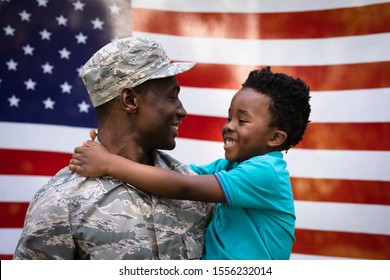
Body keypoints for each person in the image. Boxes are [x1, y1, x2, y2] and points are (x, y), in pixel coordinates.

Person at [69, 66, 312, 260]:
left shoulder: (266, 173)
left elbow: (184, 186)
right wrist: (109, 150)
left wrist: (109, 163)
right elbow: (179, 174)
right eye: (230, 117)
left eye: (242, 121)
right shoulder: (231, 167)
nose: (229, 126)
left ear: (275, 138)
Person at [13, 37, 214, 260]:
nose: (182, 110)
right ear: (130, 100)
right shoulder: (62, 203)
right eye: (172, 96)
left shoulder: (192, 188)